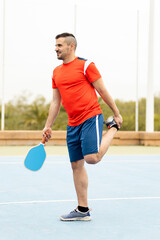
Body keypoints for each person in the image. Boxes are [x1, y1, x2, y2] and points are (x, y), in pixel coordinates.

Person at [43, 32, 123, 221]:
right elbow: (56, 102)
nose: (56, 49)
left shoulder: (86, 65)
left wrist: (117, 113)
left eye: (59, 45)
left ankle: (113, 127)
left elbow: (102, 90)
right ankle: (82, 210)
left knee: (92, 158)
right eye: (55, 45)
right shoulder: (56, 72)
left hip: (90, 117)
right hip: (72, 123)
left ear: (71, 46)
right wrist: (48, 126)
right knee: (75, 165)